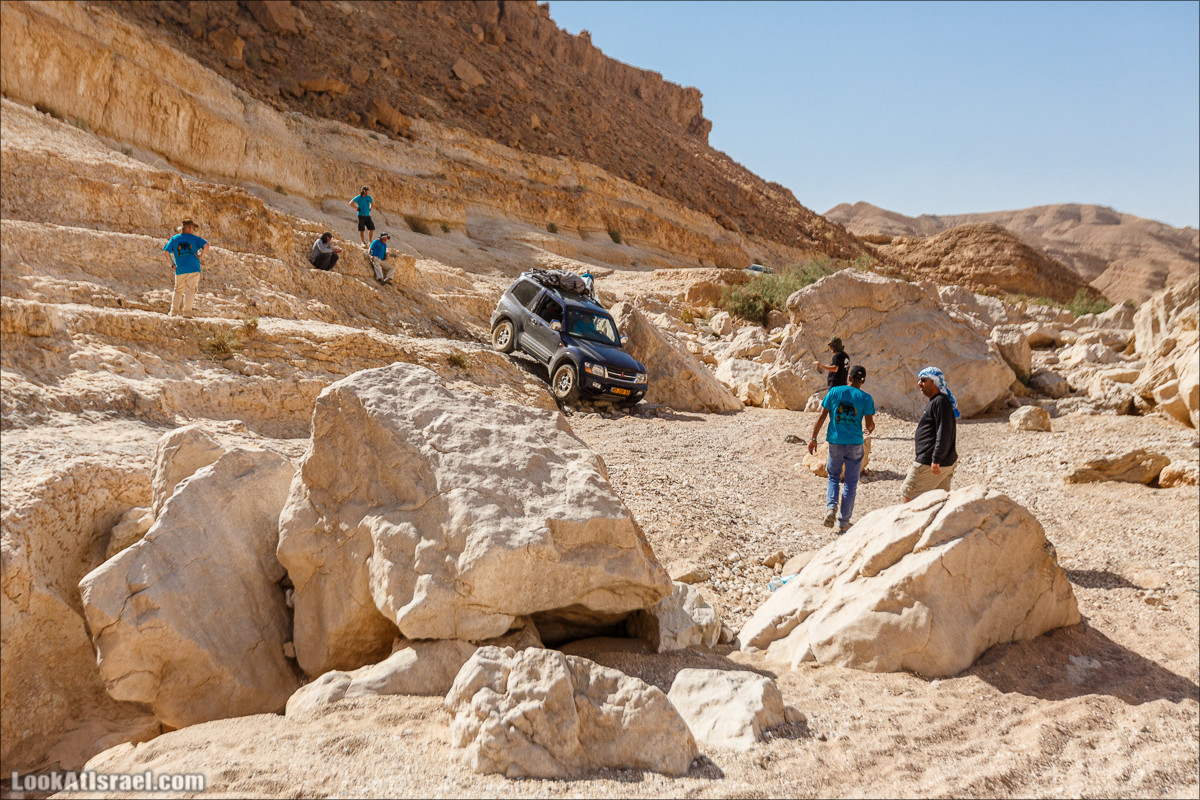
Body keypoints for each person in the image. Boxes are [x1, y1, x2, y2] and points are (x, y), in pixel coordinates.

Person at [808, 364, 875, 532]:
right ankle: (844, 521)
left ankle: (831, 508)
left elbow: (822, 416)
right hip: (855, 443)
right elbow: (869, 424)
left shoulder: (835, 392)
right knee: (851, 483)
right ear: (863, 381)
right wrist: (870, 429)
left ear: (849, 378)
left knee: (833, 477)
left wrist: (813, 438)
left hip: (835, 442)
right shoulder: (866, 398)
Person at [901, 366, 960, 502]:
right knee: (938, 501)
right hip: (943, 461)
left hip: (930, 462)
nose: (919, 384)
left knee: (909, 495)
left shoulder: (939, 402)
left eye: (923, 380)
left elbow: (943, 431)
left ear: (934, 382)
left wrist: (936, 458)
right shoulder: (939, 401)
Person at [162, 218, 208, 318]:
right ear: (190, 228)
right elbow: (206, 245)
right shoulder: (195, 239)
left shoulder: (174, 239)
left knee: (178, 290)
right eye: (193, 228)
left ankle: (173, 312)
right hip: (194, 268)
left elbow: (166, 252)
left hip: (180, 269)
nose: (194, 230)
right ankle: (187, 313)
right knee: (190, 290)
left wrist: (172, 265)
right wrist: (201, 256)